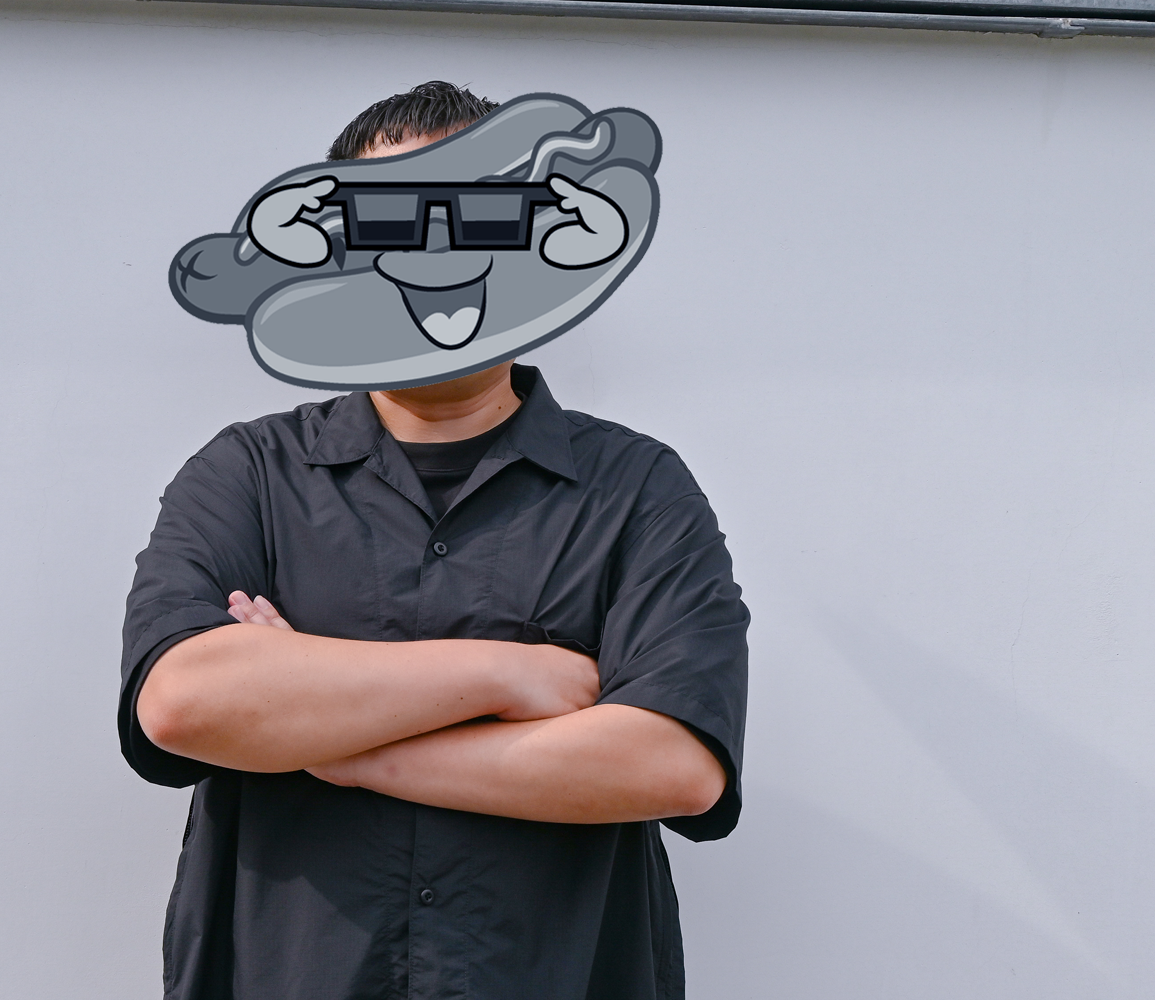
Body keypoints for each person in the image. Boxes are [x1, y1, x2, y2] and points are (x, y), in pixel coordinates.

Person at [119, 82, 748, 1000]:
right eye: (391, 222)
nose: (436, 252)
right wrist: (509, 674)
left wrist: (339, 749)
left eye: (480, 216)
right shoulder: (249, 473)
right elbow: (183, 703)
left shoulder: (639, 487)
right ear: (338, 249)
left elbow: (673, 764)